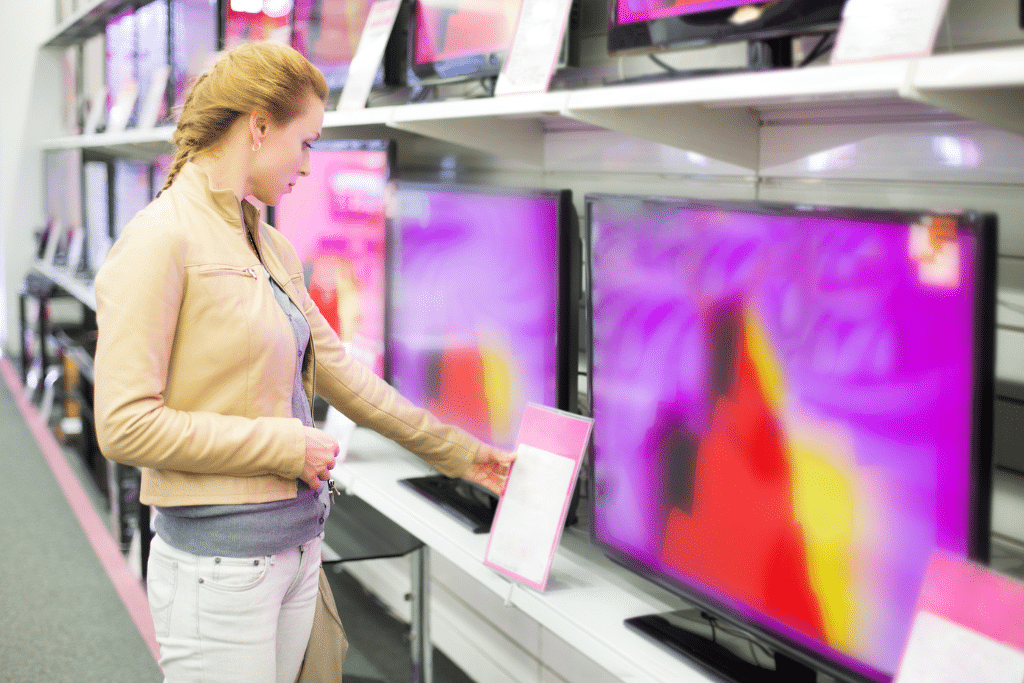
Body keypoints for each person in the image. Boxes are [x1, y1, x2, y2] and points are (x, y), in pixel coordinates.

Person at [93, 41, 514, 683]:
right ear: (258, 127)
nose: (310, 166)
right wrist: (282, 446)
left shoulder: (269, 246)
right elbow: (124, 426)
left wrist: (466, 456)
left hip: (293, 549)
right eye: (306, 141)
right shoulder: (159, 240)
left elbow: (346, 379)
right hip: (220, 571)